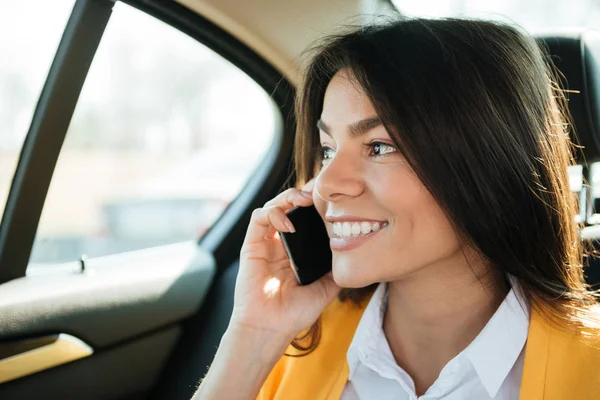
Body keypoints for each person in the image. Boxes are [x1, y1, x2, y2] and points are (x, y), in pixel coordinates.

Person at [193, 18, 600, 400]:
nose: (327, 185)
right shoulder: (292, 345)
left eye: (379, 147)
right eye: (328, 150)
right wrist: (254, 337)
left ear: (490, 165)